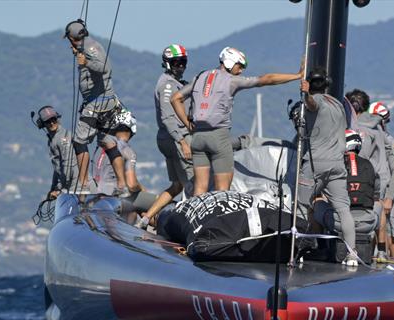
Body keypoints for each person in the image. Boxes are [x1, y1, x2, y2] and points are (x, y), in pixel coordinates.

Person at [170, 47, 303, 195]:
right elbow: (267, 79)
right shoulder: (232, 81)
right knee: (222, 193)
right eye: (239, 66)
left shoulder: (200, 77)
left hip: (197, 138)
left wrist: (189, 125)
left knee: (200, 189)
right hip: (218, 138)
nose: (241, 71)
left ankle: (195, 219)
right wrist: (297, 76)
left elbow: (175, 98)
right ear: (230, 62)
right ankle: (218, 218)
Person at [300, 67, 358, 266]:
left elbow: (311, 104)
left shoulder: (316, 102)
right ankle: (352, 254)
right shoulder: (338, 104)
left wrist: (305, 93)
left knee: (300, 205)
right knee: (343, 209)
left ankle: (296, 249)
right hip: (337, 164)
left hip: (316, 163)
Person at [64, 19, 129, 197]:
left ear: (71, 37)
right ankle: (122, 186)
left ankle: (82, 183)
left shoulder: (91, 48)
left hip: (98, 104)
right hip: (104, 103)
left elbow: (104, 68)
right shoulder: (85, 46)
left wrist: (85, 62)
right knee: (107, 142)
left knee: (79, 141)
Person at [138, 44, 196, 229]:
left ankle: (146, 218)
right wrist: (182, 142)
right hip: (175, 138)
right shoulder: (167, 86)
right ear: (168, 63)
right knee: (193, 184)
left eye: (183, 62)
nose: (181, 66)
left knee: (177, 186)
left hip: (168, 138)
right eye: (177, 63)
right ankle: (190, 227)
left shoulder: (176, 83)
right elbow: (167, 116)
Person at [346, 89, 391, 259]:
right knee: (378, 211)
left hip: (362, 175)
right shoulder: (378, 129)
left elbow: (358, 156)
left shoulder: (356, 129)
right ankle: (380, 252)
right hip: (379, 176)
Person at [313, 129, 380, 240]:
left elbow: (316, 190)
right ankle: (380, 250)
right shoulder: (369, 165)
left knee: (316, 203)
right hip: (367, 224)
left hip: (340, 223)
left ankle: (320, 248)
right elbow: (377, 194)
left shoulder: (334, 165)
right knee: (380, 203)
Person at [369, 101, 394, 259]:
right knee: (372, 234)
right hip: (374, 191)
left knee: (391, 237)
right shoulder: (370, 138)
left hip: (388, 193)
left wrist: (389, 198)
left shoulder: (391, 143)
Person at [35, 106, 78, 199]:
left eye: (53, 119)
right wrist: (53, 188)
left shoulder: (63, 138)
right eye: (47, 121)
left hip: (77, 185)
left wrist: (59, 190)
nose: (51, 123)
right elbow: (57, 168)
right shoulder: (52, 140)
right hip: (69, 186)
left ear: (57, 119)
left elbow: (68, 164)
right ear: (42, 124)